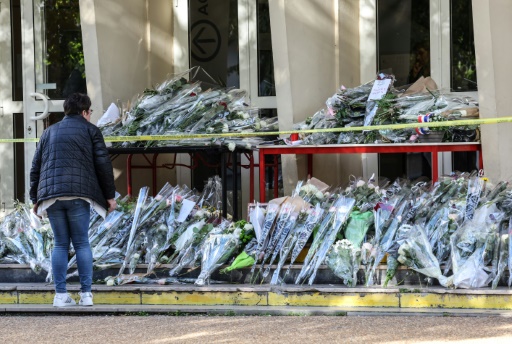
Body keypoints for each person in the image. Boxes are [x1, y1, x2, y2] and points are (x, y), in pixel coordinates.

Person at [30, 93, 117, 307]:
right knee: (81, 242)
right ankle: (86, 295)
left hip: (51, 196)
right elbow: (103, 166)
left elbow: (35, 167)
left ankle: (60, 295)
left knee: (60, 244)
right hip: (80, 194)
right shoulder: (91, 130)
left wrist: (35, 198)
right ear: (85, 112)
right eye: (90, 112)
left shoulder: (48, 132)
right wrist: (110, 197)